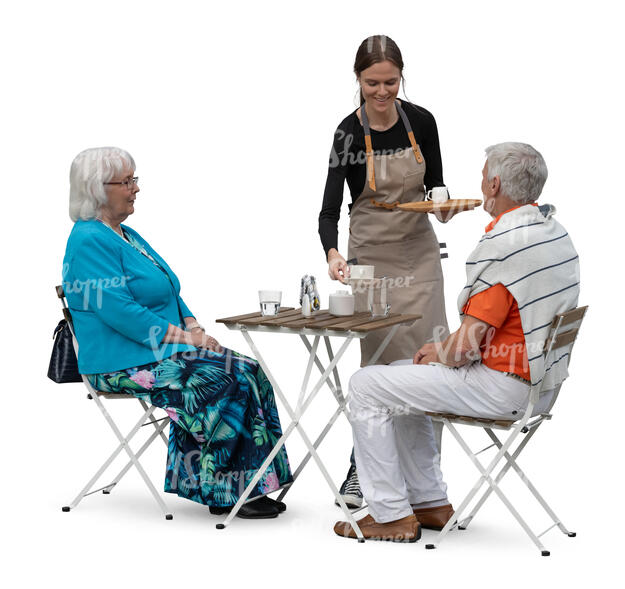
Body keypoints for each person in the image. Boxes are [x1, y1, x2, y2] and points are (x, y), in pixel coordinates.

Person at [333, 142, 580, 542]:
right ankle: (428, 502)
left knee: (365, 386)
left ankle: (390, 514)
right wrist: (440, 353)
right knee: (400, 376)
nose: (481, 181)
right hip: (541, 385)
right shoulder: (554, 234)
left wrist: (443, 351)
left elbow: (465, 348)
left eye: (484, 175)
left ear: (495, 183)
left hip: (504, 388)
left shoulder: (505, 249)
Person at [62, 147, 292, 519]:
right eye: (127, 181)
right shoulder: (88, 240)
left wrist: (194, 326)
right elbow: (122, 313)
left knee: (248, 369)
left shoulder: (125, 234)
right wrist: (186, 341)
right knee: (222, 379)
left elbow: (168, 290)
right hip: (120, 361)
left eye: (135, 179)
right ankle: (222, 491)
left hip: (157, 352)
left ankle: (252, 485)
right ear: (97, 189)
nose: (136, 188)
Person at [318, 35, 456, 508]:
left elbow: (437, 185)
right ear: (357, 80)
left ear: (402, 76)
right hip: (371, 258)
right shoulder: (347, 133)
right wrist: (333, 255)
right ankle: (364, 471)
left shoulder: (423, 121)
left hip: (419, 254)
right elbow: (328, 211)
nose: (381, 92)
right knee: (377, 368)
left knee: (429, 359)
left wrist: (443, 209)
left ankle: (425, 481)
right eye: (372, 83)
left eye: (390, 82)